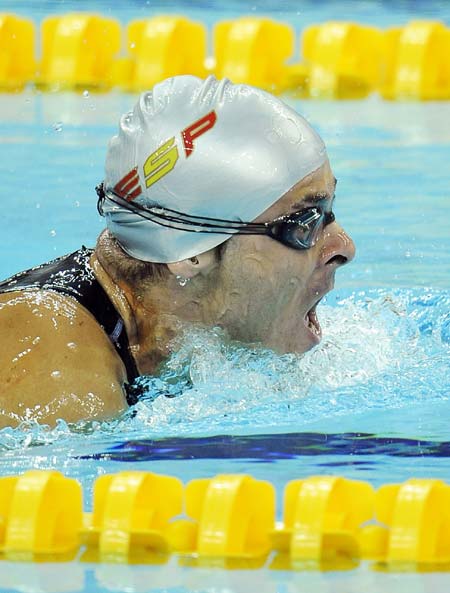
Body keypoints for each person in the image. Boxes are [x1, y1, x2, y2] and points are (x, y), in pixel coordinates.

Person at [0, 75, 355, 427]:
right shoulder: (56, 380)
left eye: (330, 211)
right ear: (190, 251)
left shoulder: (162, 340)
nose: (344, 246)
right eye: (303, 223)